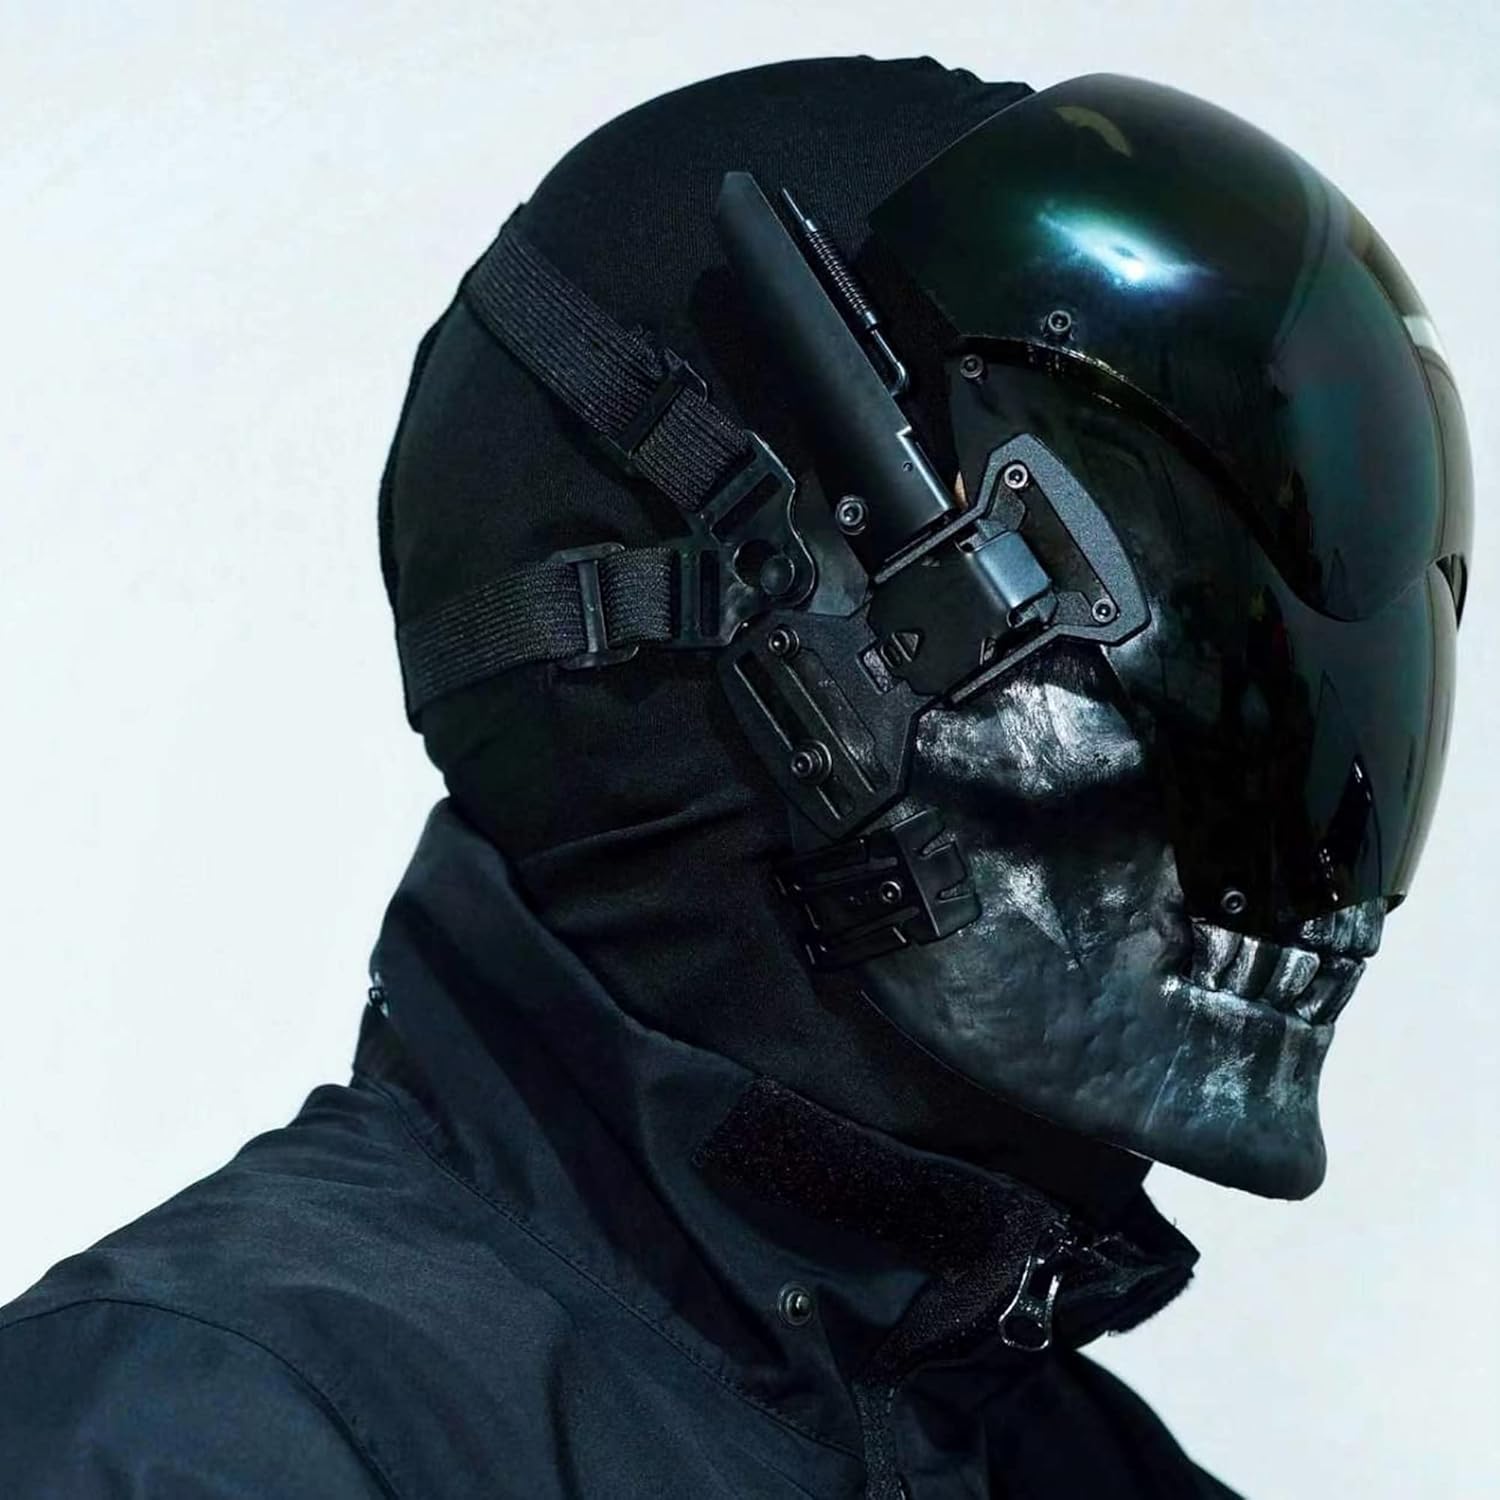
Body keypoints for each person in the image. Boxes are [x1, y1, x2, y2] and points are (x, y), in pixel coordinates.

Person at [0, 56, 1470, 1499]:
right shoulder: (204, 1436)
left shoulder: (1077, 1465)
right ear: (754, 616)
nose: (1306, 828)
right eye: (1147, 613)